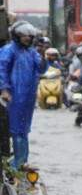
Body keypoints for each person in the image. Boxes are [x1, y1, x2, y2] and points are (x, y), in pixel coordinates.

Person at [0, 21, 47, 170]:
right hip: (14, 95)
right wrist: (4, 90)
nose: (28, 38)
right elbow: (2, 70)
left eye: (30, 36)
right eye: (25, 36)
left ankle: (23, 161)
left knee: (25, 128)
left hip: (29, 96)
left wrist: (44, 56)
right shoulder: (9, 50)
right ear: (17, 35)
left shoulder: (32, 52)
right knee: (17, 128)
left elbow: (41, 68)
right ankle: (18, 163)